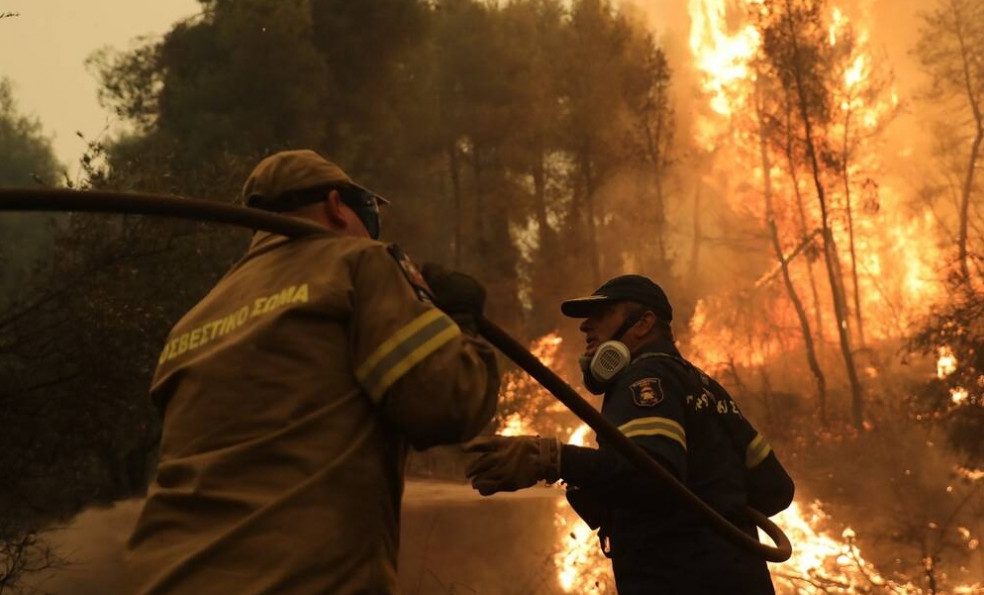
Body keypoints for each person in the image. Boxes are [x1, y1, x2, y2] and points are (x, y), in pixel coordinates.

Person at [125, 149, 500, 594]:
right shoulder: (357, 264)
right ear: (338, 207)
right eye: (371, 217)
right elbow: (449, 403)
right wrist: (459, 323)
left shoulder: (192, 322)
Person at [465, 275, 794, 594]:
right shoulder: (705, 387)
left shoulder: (644, 378)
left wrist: (552, 459)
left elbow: (651, 472)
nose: (585, 326)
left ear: (643, 323)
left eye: (602, 314)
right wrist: (710, 511)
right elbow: (775, 488)